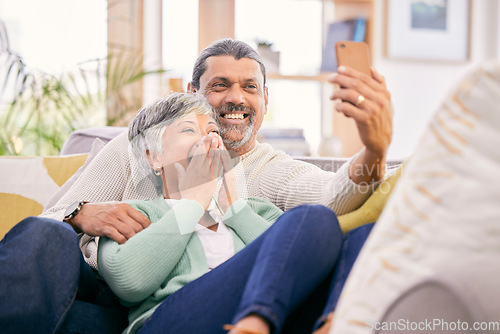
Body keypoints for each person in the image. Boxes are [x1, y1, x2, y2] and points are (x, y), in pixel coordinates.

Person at [0, 38, 390, 333]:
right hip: (94, 286)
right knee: (41, 235)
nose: (236, 97)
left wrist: (374, 147)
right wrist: (82, 213)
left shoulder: (270, 169)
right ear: (191, 94)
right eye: (220, 85)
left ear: (265, 100)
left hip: (168, 307)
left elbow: (331, 200)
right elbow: (48, 224)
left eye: (249, 87)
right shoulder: (135, 145)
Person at [97, 92, 360, 334]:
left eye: (212, 131)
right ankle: (255, 322)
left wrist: (236, 210)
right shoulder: (129, 213)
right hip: (174, 322)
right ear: (153, 156)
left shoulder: (256, 210)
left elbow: (294, 257)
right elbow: (128, 281)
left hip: (278, 320)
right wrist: (194, 201)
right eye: (189, 130)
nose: (209, 139)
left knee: (358, 235)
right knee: (311, 218)